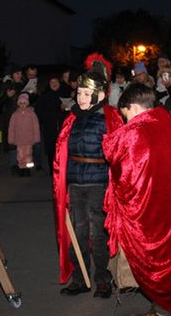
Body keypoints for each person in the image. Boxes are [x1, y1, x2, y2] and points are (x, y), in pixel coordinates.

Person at [103, 83, 171, 316]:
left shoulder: (137, 131)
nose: (125, 119)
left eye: (124, 113)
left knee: (156, 259)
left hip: (151, 211)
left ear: (132, 107)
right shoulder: (168, 124)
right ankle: (167, 305)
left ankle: (163, 313)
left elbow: (123, 171)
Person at [53, 53, 123, 299]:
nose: (80, 97)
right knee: (77, 231)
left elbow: (119, 151)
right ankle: (80, 277)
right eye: (79, 93)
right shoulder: (71, 118)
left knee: (97, 232)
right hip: (75, 182)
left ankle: (103, 279)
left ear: (100, 95)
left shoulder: (110, 117)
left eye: (85, 94)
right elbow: (61, 150)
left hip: (98, 182)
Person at [35, 76, 65, 172]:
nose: (54, 83)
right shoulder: (44, 96)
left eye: (56, 81)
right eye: (51, 82)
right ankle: (53, 169)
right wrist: (46, 118)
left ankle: (63, 169)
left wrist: (64, 109)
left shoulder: (64, 94)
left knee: (63, 148)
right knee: (51, 148)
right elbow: (38, 110)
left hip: (63, 125)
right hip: (49, 126)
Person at [8, 92, 40, 176]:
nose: (22, 105)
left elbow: (36, 126)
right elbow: (11, 128)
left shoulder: (32, 114)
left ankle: (27, 169)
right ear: (18, 104)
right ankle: (22, 168)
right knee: (20, 154)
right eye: (21, 103)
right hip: (19, 139)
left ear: (27, 104)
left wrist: (36, 138)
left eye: (24, 103)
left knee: (28, 154)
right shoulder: (15, 115)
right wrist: (11, 138)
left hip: (29, 139)